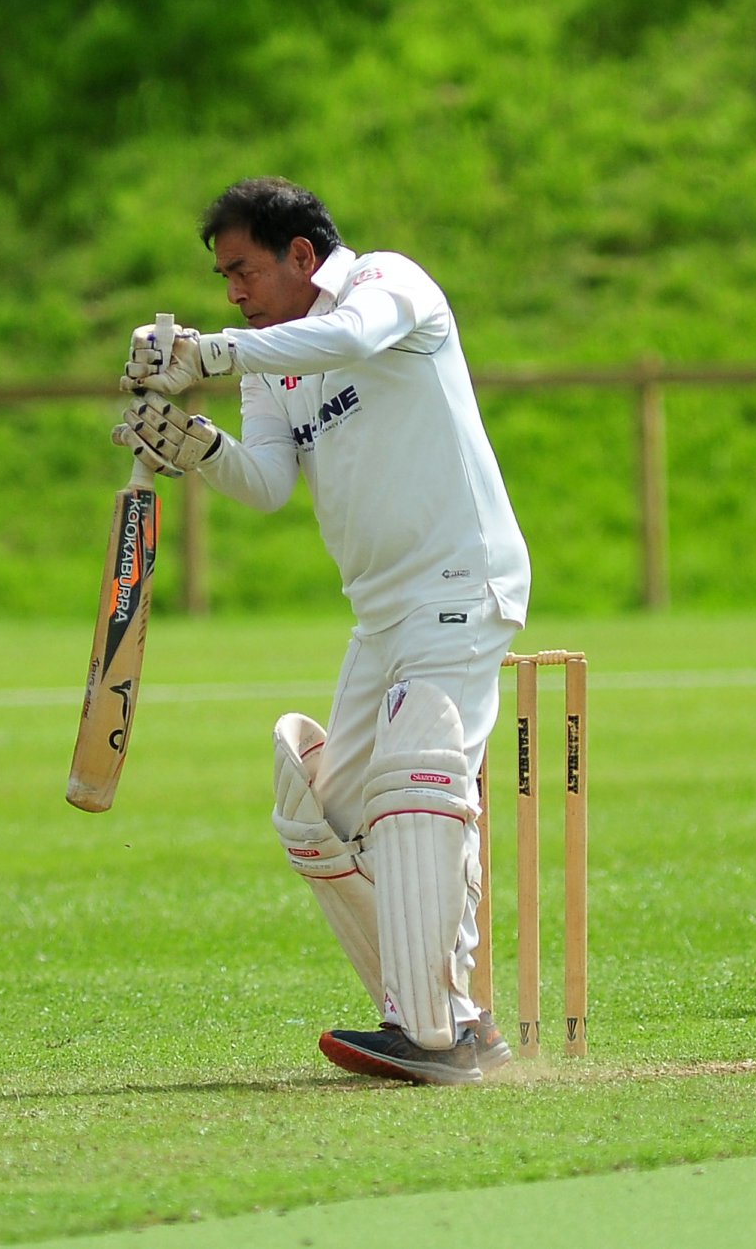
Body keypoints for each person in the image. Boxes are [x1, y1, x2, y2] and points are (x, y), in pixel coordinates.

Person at [113, 176, 531, 1084]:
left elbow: (350, 336)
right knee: (320, 810)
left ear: (303, 255)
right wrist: (193, 444)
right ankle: (461, 1024)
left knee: (417, 774)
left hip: (460, 584)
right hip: (381, 612)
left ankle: (431, 1034)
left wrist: (213, 354)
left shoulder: (390, 284)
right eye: (223, 279)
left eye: (243, 272)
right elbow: (265, 483)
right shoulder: (275, 357)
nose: (232, 294)